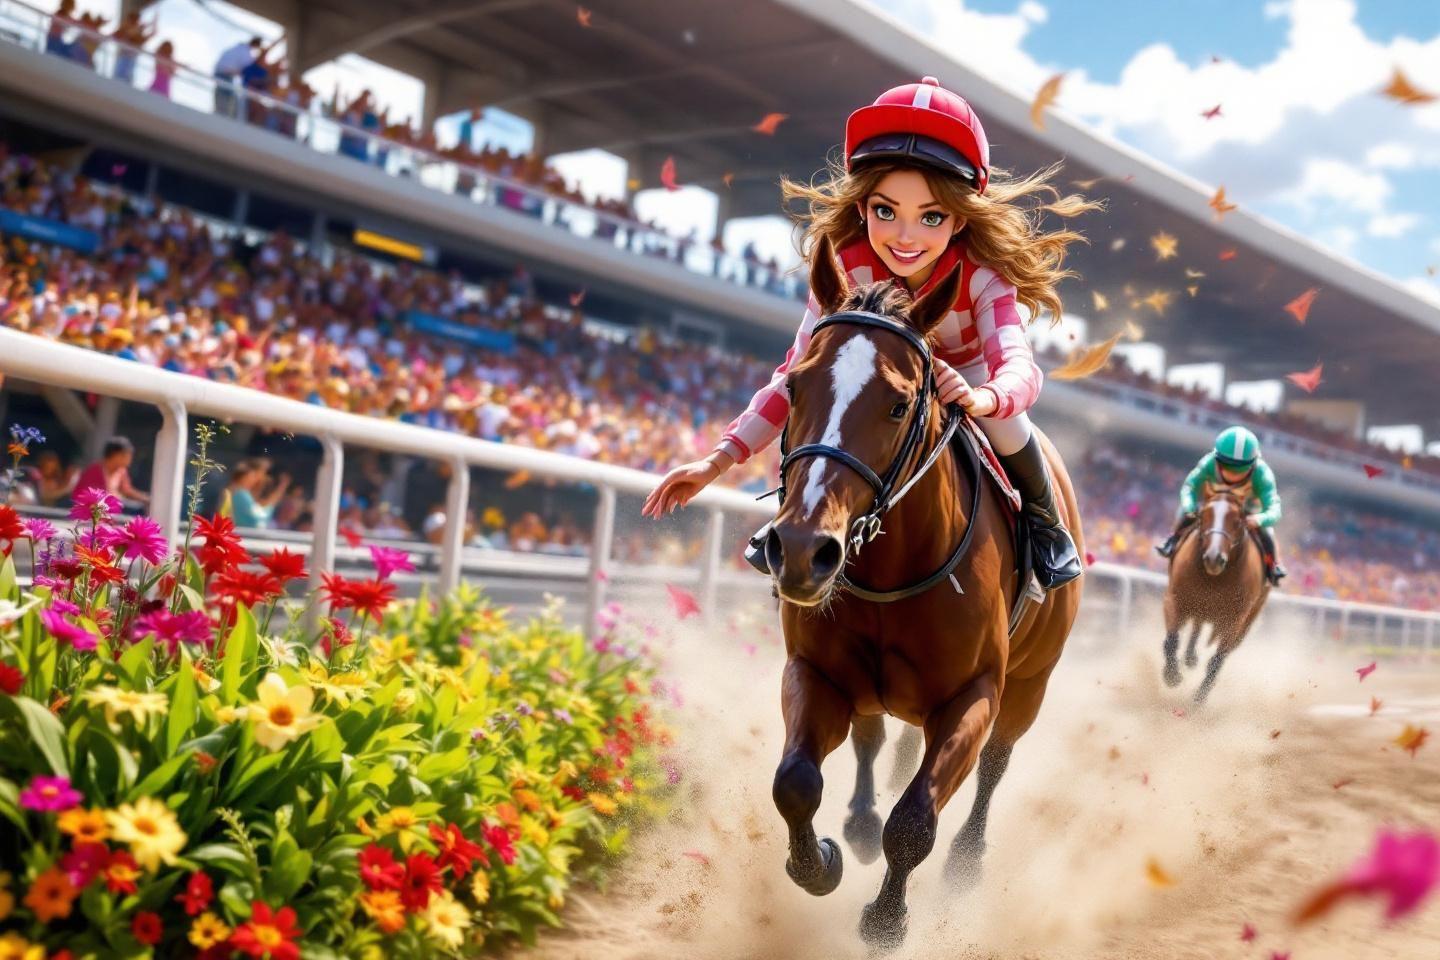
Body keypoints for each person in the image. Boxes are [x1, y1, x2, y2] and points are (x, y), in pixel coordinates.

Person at [642, 75, 1100, 589]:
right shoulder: (845, 268)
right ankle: (798, 517)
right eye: (886, 211)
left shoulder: (986, 275)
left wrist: (983, 398)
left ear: (960, 220)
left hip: (964, 376)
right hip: (883, 379)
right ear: (862, 208)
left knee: (1012, 428)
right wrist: (717, 460)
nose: (905, 237)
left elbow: (1020, 369)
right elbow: (795, 374)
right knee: (834, 407)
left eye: (931, 217)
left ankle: (1046, 529)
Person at [1156, 426, 1286, 585]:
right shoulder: (1208, 463)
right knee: (1184, 511)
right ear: (1217, 458)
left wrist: (1259, 519)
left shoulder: (1263, 474)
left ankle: (1273, 565)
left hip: (1248, 508)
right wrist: (1190, 507)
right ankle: (1173, 540)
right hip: (1211, 502)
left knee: (1267, 532)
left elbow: (1274, 510)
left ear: (1253, 464)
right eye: (1227, 466)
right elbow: (1189, 488)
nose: (1233, 474)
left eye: (1240, 470)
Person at [72, 436, 149, 507]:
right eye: (126, 456)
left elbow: (126, 490)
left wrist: (145, 498)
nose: (129, 460)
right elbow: (91, 497)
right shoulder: (94, 471)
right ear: (116, 455)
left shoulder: (121, 471)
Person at [224, 457, 290, 529]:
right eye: (262, 471)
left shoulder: (245, 493)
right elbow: (256, 519)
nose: (263, 476)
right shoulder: (238, 493)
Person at [213, 36, 260, 119]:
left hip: (220, 73)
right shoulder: (245, 53)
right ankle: (221, 117)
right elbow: (247, 70)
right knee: (226, 100)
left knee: (222, 97)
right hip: (225, 75)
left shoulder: (236, 48)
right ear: (256, 45)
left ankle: (219, 114)